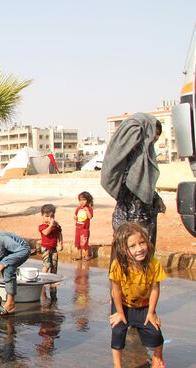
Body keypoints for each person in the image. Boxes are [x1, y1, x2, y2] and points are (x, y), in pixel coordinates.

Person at [101, 113, 166, 245]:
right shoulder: (130, 161)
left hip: (142, 224)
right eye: (155, 133)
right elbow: (134, 186)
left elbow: (144, 185)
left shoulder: (143, 161)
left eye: (158, 134)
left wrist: (157, 199)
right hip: (130, 223)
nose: (156, 138)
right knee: (126, 257)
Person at [109, 222, 166, 368]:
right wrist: (119, 312)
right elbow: (116, 290)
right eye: (132, 246)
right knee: (118, 331)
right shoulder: (118, 265)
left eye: (142, 243)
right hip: (123, 304)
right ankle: (117, 365)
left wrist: (152, 313)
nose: (139, 249)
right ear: (123, 249)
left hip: (144, 305)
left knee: (155, 333)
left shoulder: (153, 264)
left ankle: (158, 356)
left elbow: (155, 288)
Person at [39, 204, 62, 300]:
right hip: (46, 248)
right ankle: (42, 280)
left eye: (51, 216)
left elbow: (59, 233)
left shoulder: (56, 225)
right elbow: (45, 232)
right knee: (47, 265)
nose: (49, 219)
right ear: (42, 216)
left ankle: (52, 281)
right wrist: (51, 225)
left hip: (54, 248)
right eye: (47, 216)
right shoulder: (42, 226)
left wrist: (60, 243)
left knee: (54, 265)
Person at [74, 191, 94, 261]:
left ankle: (87, 256)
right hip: (78, 228)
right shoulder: (78, 208)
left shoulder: (89, 209)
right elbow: (75, 216)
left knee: (84, 242)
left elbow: (90, 217)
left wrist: (87, 211)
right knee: (78, 242)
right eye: (80, 200)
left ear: (88, 200)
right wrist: (75, 218)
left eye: (84, 200)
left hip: (84, 229)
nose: (82, 202)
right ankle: (80, 255)